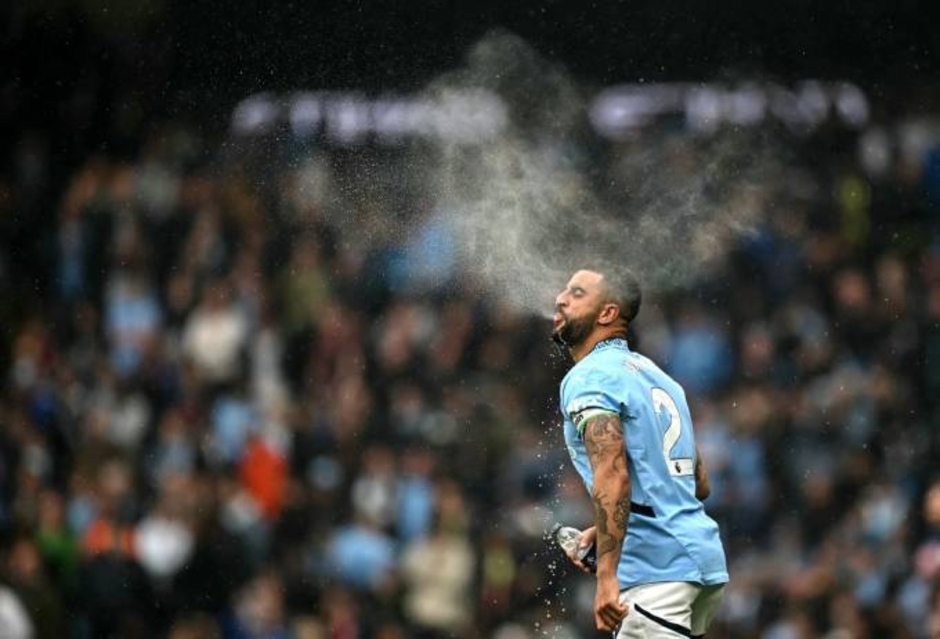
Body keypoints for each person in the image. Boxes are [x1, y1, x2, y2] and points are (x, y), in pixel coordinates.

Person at [552, 267, 728, 638]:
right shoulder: (659, 378)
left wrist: (606, 576)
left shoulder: (589, 377)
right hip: (702, 559)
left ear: (607, 314)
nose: (560, 299)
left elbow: (612, 472)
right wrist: (608, 525)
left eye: (577, 293)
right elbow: (697, 483)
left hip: (655, 571)